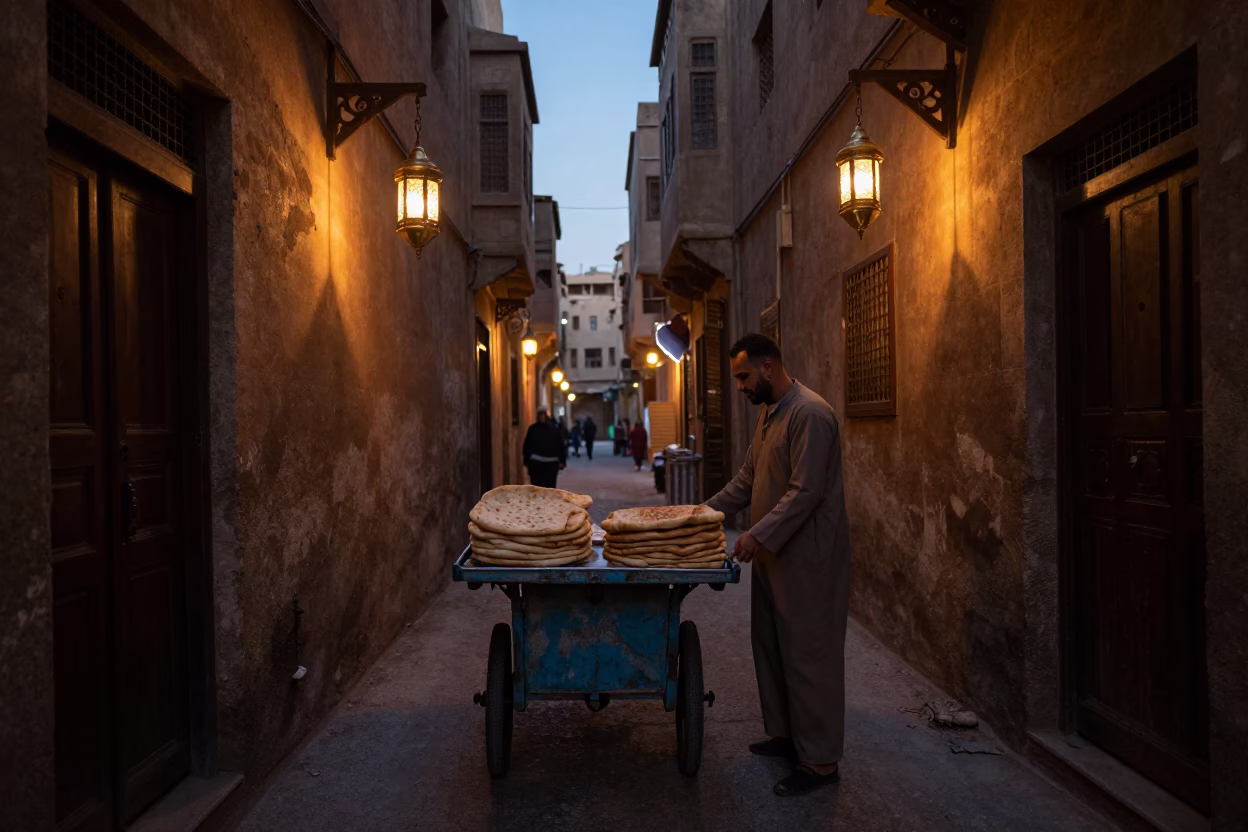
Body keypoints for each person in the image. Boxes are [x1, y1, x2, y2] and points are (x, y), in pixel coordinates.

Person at [703, 333, 851, 798]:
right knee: (771, 645)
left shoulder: (811, 414)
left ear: (768, 367)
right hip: (774, 555)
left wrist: (756, 534)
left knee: (809, 655)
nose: (740, 386)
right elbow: (747, 479)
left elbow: (806, 491)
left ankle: (821, 761)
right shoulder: (769, 413)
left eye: (743, 376)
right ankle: (788, 736)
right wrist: (699, 514)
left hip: (808, 558)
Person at [521, 406, 566, 487]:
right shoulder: (533, 429)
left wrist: (562, 460)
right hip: (537, 463)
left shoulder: (553, 429)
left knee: (547, 488)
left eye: (543, 414)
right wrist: (527, 460)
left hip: (550, 463)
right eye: (540, 414)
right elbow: (527, 446)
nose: (542, 417)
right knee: (539, 488)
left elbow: (560, 445)